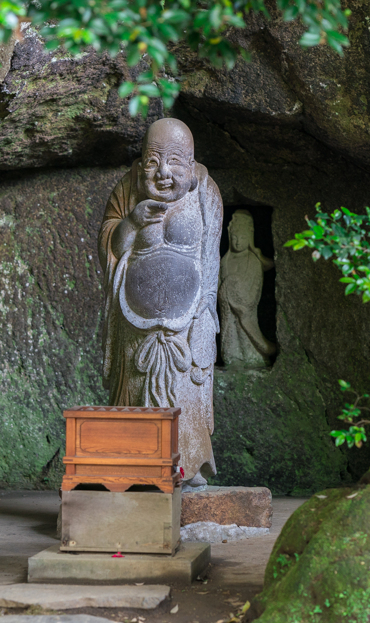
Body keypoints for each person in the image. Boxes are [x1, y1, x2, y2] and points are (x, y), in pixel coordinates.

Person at [98, 118, 223, 484]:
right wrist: (132, 222)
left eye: (174, 162)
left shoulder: (205, 192)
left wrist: (205, 313)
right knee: (137, 389)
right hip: (134, 319)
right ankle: (135, 464)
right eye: (152, 162)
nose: (163, 172)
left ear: (192, 163)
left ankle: (188, 465)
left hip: (186, 319)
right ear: (141, 164)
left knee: (186, 390)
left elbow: (211, 256)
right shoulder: (128, 188)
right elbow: (110, 246)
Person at [218, 210, 276, 367]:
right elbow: (218, 286)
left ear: (249, 238)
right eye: (234, 238)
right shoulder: (225, 261)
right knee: (230, 337)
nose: (237, 242)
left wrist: (233, 287)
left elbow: (254, 288)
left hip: (245, 308)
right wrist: (225, 291)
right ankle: (231, 357)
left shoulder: (253, 260)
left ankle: (253, 357)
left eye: (242, 238)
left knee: (246, 338)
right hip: (228, 312)